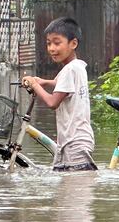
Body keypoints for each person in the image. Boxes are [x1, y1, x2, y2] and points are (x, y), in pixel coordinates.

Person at [21, 17, 96, 171]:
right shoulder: (77, 66)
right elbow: (64, 86)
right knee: (67, 190)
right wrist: (44, 82)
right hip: (74, 139)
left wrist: (35, 84)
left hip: (74, 142)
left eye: (57, 43)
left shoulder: (69, 70)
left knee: (77, 191)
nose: (51, 48)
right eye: (48, 43)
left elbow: (53, 102)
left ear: (73, 43)